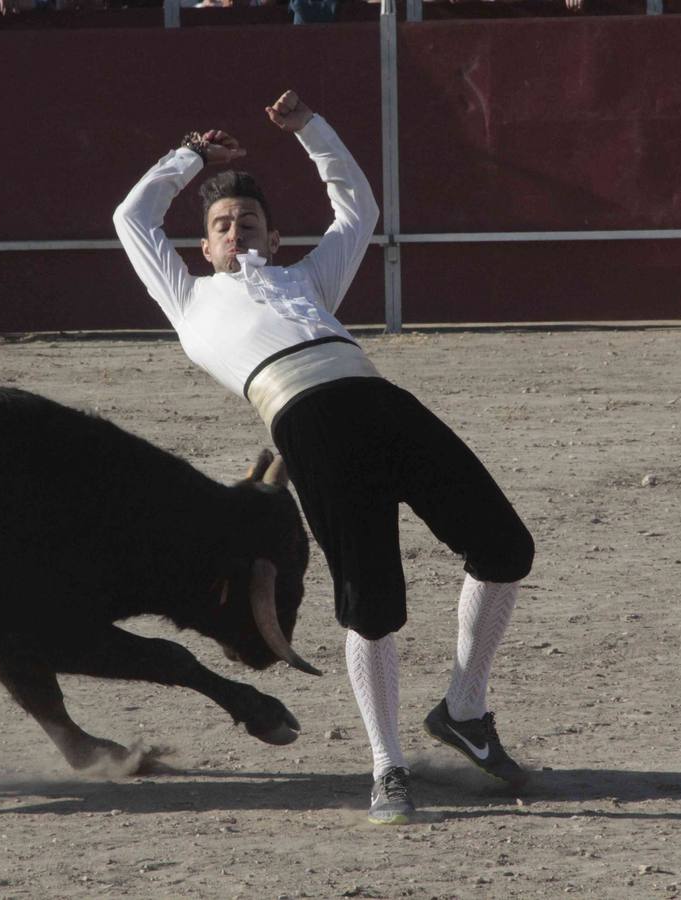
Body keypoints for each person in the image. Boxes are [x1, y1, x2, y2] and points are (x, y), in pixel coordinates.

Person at [113, 90, 535, 825]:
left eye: (248, 222)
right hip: (306, 424)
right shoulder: (188, 300)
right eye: (220, 225)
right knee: (372, 604)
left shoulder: (310, 281)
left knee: (505, 547)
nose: (235, 230)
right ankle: (387, 767)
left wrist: (310, 129)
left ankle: (464, 711)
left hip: (381, 401)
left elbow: (358, 209)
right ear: (203, 248)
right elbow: (131, 218)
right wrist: (190, 155)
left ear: (274, 238)